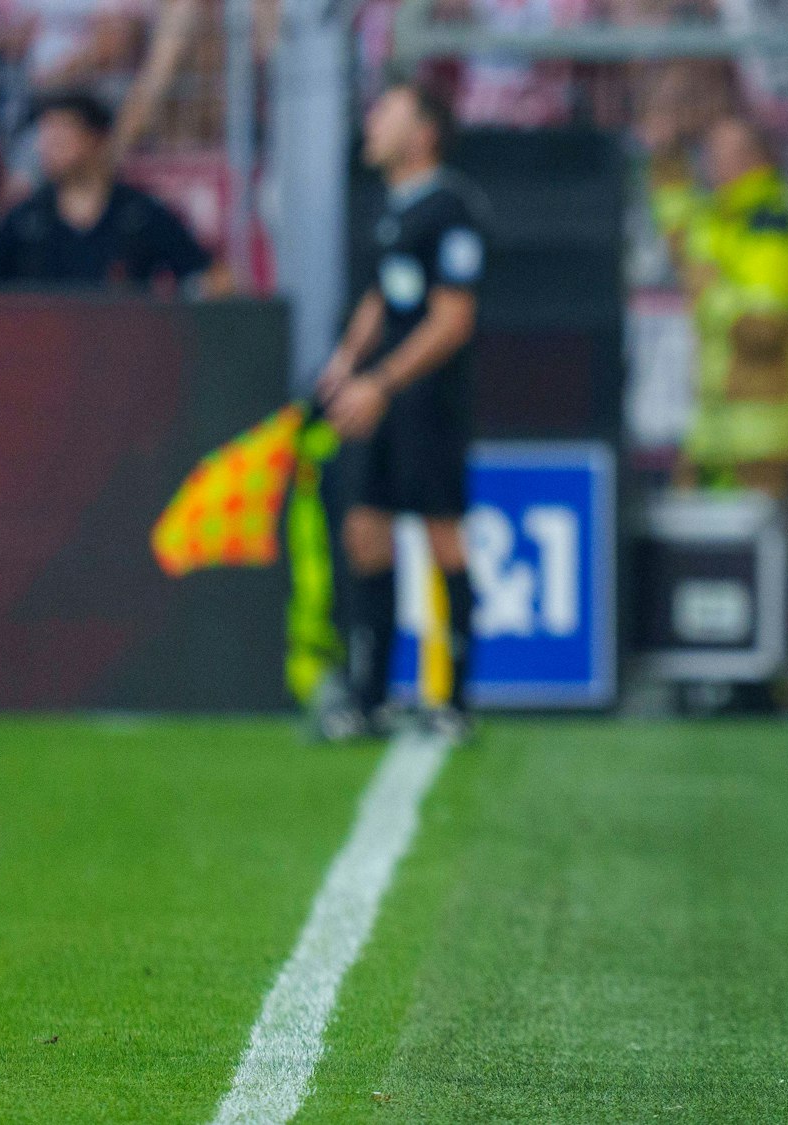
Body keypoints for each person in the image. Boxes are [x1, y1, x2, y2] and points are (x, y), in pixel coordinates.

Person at [317, 82, 488, 742]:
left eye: (386, 111)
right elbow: (383, 296)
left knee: (442, 533)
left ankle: (453, 700)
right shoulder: (397, 211)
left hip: (428, 403)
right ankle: (371, 696)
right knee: (365, 529)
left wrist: (380, 382)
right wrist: (344, 361)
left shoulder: (452, 210)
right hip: (382, 399)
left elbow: (453, 320)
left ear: (424, 134)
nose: (372, 120)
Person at [649, 116, 788, 498]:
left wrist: (710, 293)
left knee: (765, 552)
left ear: (754, 159)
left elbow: (764, 328)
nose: (711, 163)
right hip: (712, 439)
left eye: (721, 154)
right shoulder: (721, 217)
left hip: (766, 446)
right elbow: (680, 234)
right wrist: (666, 159)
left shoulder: (773, 225)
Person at [0, 89, 224, 293]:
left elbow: (210, 276)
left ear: (97, 139)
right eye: (45, 137)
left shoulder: (138, 215)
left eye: (62, 134)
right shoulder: (25, 221)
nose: (49, 147)